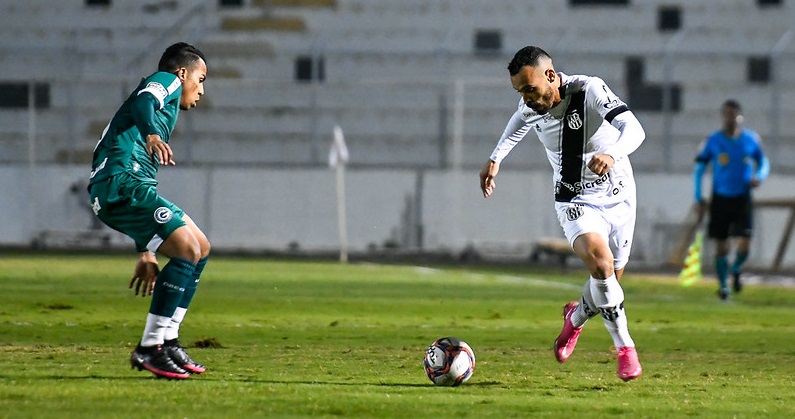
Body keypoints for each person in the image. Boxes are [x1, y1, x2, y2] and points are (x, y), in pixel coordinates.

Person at [479, 46, 645, 381]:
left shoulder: (589, 90)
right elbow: (518, 122)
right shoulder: (530, 106)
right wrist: (496, 158)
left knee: (609, 283)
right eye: (519, 92)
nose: (525, 99)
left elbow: (636, 130)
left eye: (530, 89)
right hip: (574, 199)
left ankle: (575, 318)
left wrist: (611, 153)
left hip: (620, 196)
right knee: (602, 265)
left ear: (551, 76)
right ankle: (625, 348)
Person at [88, 42, 209, 380]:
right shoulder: (167, 80)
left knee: (200, 249)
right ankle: (150, 347)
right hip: (119, 182)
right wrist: (153, 134)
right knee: (187, 249)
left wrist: (146, 248)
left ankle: (168, 340)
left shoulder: (167, 102)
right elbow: (144, 101)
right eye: (200, 79)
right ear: (183, 73)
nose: (201, 90)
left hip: (128, 186)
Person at [693, 99, 769, 301]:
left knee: (745, 243)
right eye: (726, 114)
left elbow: (763, 162)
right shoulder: (713, 141)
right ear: (722, 116)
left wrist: (759, 176)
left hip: (742, 197)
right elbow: (700, 169)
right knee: (722, 245)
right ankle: (723, 286)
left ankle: (736, 268)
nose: (730, 118)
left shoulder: (751, 140)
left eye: (733, 114)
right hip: (721, 197)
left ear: (739, 116)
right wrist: (698, 197)